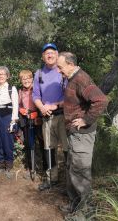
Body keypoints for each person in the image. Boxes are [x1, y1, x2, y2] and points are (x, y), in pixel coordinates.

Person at [56, 52, 108, 218]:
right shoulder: (71, 78)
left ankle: (85, 213)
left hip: (83, 135)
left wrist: (85, 120)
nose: (58, 71)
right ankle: (75, 205)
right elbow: (77, 101)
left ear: (70, 64)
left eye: (60, 67)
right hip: (74, 134)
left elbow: (101, 100)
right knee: (72, 168)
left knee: (81, 172)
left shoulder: (81, 79)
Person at [32, 43, 69, 191]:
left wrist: (55, 105)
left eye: (52, 52)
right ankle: (51, 179)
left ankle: (69, 181)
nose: (49, 55)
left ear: (57, 54)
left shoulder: (63, 71)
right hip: (46, 117)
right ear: (43, 57)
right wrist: (41, 107)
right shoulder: (39, 73)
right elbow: (35, 95)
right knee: (49, 149)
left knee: (67, 149)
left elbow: (70, 96)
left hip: (63, 115)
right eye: (46, 53)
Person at [18, 70, 43, 178]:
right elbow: (18, 105)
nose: (26, 80)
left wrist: (38, 114)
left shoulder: (37, 89)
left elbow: (43, 102)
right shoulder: (20, 91)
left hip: (38, 118)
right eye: (24, 79)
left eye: (28, 78)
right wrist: (21, 110)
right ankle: (30, 167)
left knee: (42, 143)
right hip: (27, 119)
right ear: (21, 80)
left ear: (32, 79)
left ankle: (45, 167)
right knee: (29, 144)